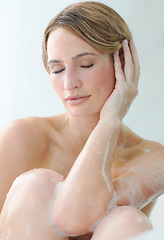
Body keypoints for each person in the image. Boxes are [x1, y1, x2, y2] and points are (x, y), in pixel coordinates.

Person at [0, 1, 164, 239]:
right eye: (57, 70)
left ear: (123, 63)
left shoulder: (153, 158)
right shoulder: (23, 137)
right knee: (36, 185)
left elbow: (75, 216)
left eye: (85, 64)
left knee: (127, 221)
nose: (69, 84)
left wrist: (111, 118)